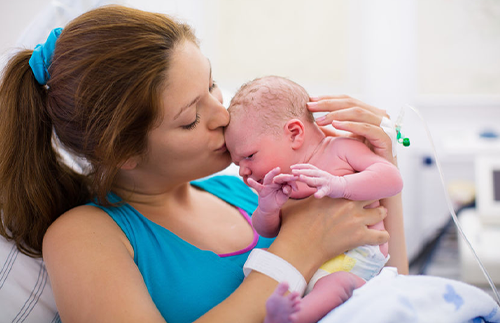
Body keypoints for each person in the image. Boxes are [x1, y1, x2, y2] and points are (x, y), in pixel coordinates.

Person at [0, 5, 405, 323]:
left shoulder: (247, 190)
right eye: (191, 117)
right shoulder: (84, 237)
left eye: (211, 84)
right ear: (122, 153)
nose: (224, 114)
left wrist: (379, 163)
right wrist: (298, 249)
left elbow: (390, 295)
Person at [225, 76, 404, 323]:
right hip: (308, 265)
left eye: (249, 156)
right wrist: (267, 208)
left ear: (295, 133)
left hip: (355, 261)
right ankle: (282, 310)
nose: (243, 171)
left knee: (336, 284)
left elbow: (392, 179)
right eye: (237, 164)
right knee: (261, 271)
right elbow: (267, 229)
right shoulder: (278, 183)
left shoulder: (339, 149)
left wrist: (340, 185)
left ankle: (293, 318)